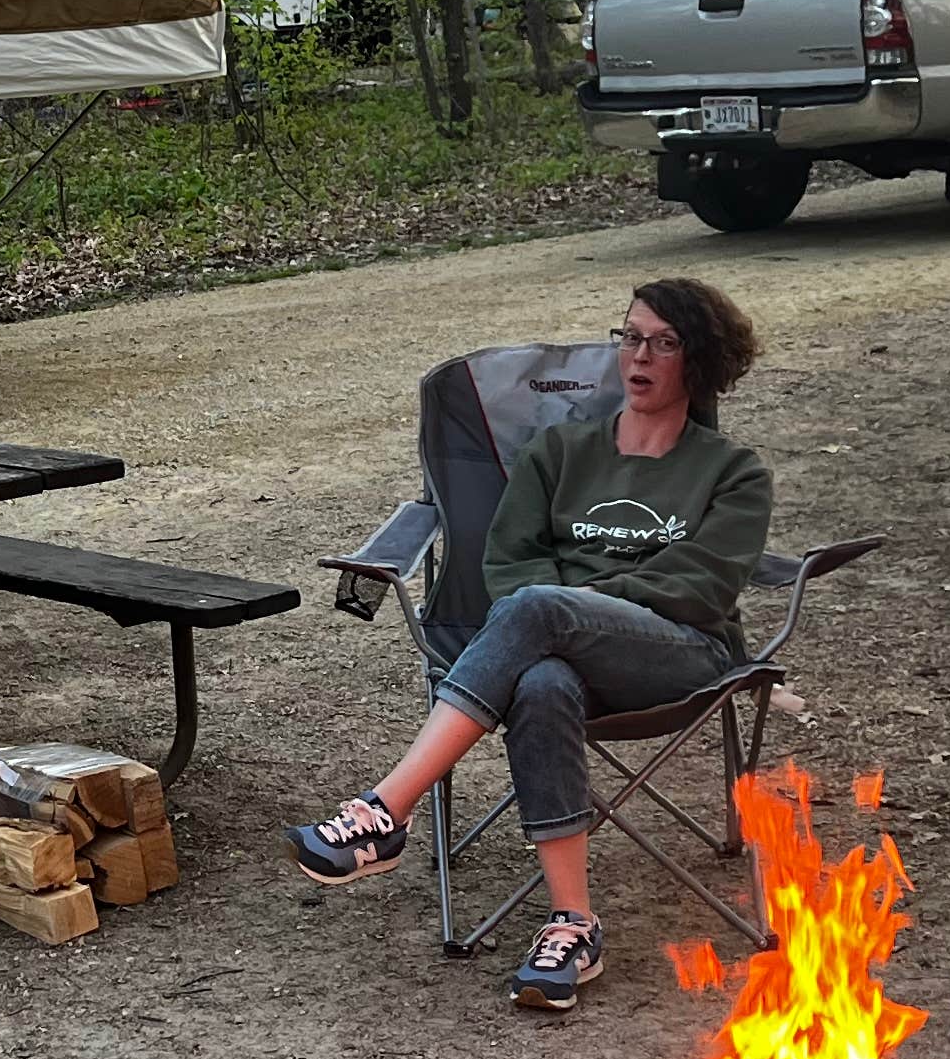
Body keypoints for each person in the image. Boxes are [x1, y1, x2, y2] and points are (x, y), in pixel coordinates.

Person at [290, 276, 772, 1012]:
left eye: (664, 342)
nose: (639, 355)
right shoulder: (558, 452)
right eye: (631, 336)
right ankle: (573, 925)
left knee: (541, 611)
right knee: (541, 680)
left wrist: (577, 607)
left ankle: (387, 809)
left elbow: (699, 586)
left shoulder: (734, 472)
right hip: (558, 650)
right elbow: (509, 563)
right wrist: (562, 617)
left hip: (680, 655)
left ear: (699, 362)